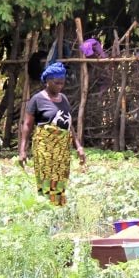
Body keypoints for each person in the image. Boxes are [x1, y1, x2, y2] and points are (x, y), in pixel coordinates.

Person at [18, 61, 86, 205]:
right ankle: (47, 208)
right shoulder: (37, 99)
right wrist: (22, 150)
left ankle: (58, 208)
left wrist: (78, 146)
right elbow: (27, 125)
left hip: (62, 148)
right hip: (44, 147)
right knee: (47, 177)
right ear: (47, 81)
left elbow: (68, 124)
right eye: (57, 83)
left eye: (62, 83)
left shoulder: (64, 99)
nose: (60, 86)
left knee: (61, 178)